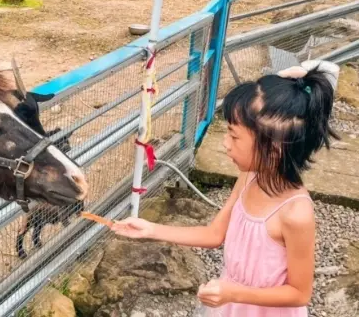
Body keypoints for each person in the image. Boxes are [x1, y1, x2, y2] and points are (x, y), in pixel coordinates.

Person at [112, 60, 340, 316]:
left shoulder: (296, 215)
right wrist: (150, 229)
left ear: (274, 149)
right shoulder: (249, 178)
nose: (225, 144)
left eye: (234, 135)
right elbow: (214, 234)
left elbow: (300, 293)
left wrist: (234, 293)